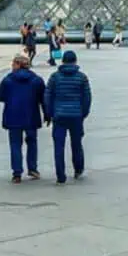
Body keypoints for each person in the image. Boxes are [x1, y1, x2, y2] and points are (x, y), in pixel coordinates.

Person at [44, 50, 92, 183]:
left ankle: (60, 175)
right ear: (75, 61)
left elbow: (47, 96)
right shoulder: (82, 77)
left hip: (59, 116)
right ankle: (78, 169)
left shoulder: (55, 77)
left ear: (63, 61)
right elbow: (87, 98)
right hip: (76, 116)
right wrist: (83, 113)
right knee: (77, 143)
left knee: (58, 146)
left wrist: (49, 113)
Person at [0, 54, 46, 183]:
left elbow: (0, 96)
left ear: (18, 65)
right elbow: (43, 99)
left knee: (15, 144)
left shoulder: (8, 80)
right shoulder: (37, 80)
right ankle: (32, 168)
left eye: (13, 63)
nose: (12, 66)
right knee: (32, 142)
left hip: (13, 116)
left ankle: (17, 173)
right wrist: (47, 114)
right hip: (31, 115)